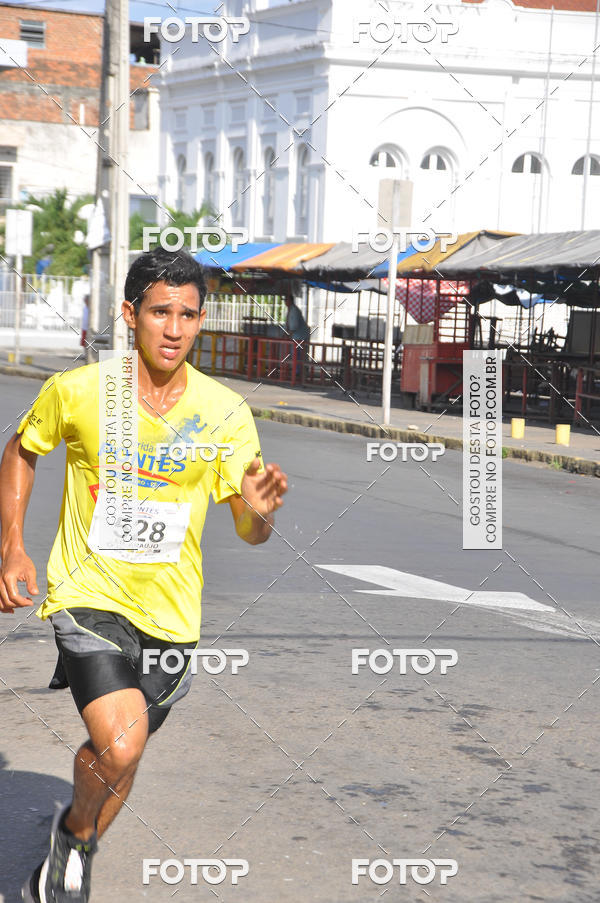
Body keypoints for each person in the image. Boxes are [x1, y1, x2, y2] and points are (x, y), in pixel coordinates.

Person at [0, 248, 287, 903]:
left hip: (172, 617)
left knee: (119, 755)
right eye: (161, 311)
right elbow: (22, 448)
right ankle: (72, 854)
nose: (175, 328)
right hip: (87, 596)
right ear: (130, 314)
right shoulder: (79, 390)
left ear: (202, 320)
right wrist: (12, 547)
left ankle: (73, 837)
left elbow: (248, 524)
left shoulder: (224, 413)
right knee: (122, 740)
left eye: (188, 314)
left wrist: (260, 513)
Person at [284, 293, 310, 381]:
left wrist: (288, 333)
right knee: (296, 354)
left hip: (300, 336)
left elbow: (294, 325)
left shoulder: (294, 310)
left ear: (290, 300)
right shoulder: (290, 310)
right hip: (297, 336)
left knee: (298, 355)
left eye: (286, 300)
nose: (285, 302)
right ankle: (298, 371)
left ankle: (299, 372)